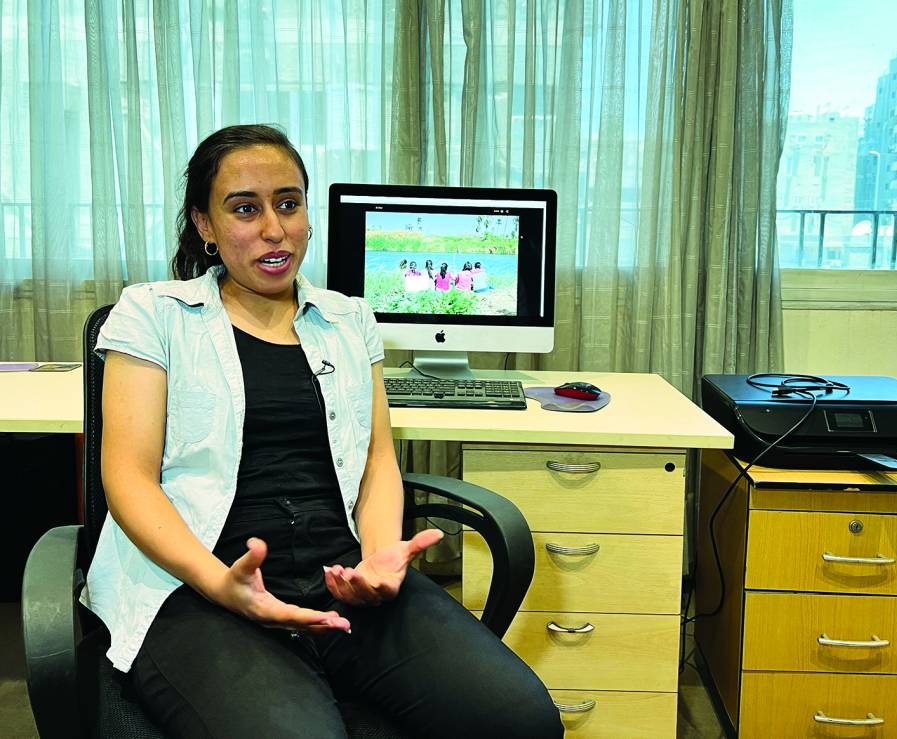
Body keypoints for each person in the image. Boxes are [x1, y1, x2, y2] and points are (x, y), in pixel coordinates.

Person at [81, 124, 562, 739]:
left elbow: (378, 461)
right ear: (204, 224)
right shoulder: (154, 314)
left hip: (340, 579)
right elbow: (128, 478)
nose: (274, 229)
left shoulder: (347, 318)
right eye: (244, 209)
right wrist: (223, 587)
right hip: (198, 587)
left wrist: (381, 558)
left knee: (523, 718)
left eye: (288, 203)